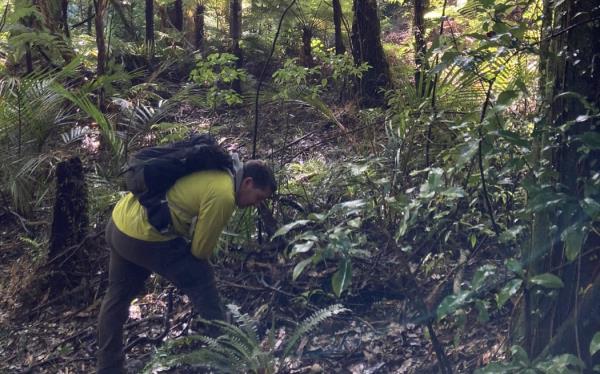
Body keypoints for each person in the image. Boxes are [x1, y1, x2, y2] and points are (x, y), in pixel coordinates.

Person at [97, 158, 276, 374]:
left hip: (119, 221)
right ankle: (230, 357)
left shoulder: (216, 167)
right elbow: (200, 251)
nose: (255, 204)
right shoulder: (224, 194)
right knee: (202, 278)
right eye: (258, 197)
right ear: (247, 182)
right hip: (142, 234)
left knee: (117, 297)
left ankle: (109, 368)